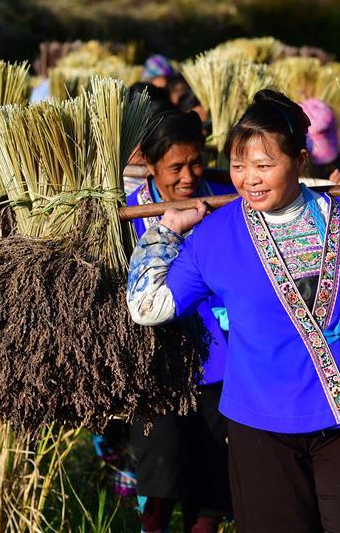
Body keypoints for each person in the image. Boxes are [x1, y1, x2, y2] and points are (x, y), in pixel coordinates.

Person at [127, 90, 340, 532]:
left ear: (299, 160)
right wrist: (166, 231)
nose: (248, 179)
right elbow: (148, 305)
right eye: (239, 166)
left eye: (264, 165)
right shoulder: (215, 234)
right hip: (257, 426)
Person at [125, 109, 235, 533]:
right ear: (150, 166)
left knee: (210, 484)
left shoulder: (224, 199)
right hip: (158, 369)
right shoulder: (128, 216)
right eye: (175, 167)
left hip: (223, 363)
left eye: (195, 163)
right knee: (161, 479)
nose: (188, 176)